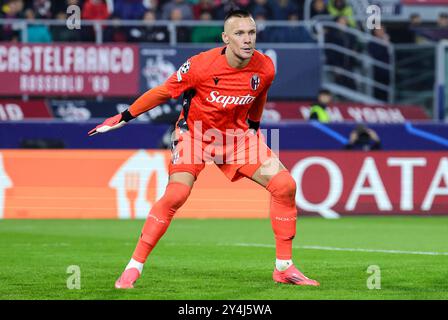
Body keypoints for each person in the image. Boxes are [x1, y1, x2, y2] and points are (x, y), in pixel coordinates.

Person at [89, 9, 319, 289]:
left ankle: (284, 267)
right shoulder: (200, 66)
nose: (247, 39)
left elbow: (259, 95)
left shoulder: (265, 67)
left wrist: (255, 128)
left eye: (251, 32)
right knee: (177, 193)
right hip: (194, 137)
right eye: (239, 33)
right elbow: (164, 91)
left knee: (285, 185)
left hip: (236, 138)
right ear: (225, 38)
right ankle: (133, 268)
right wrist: (125, 117)